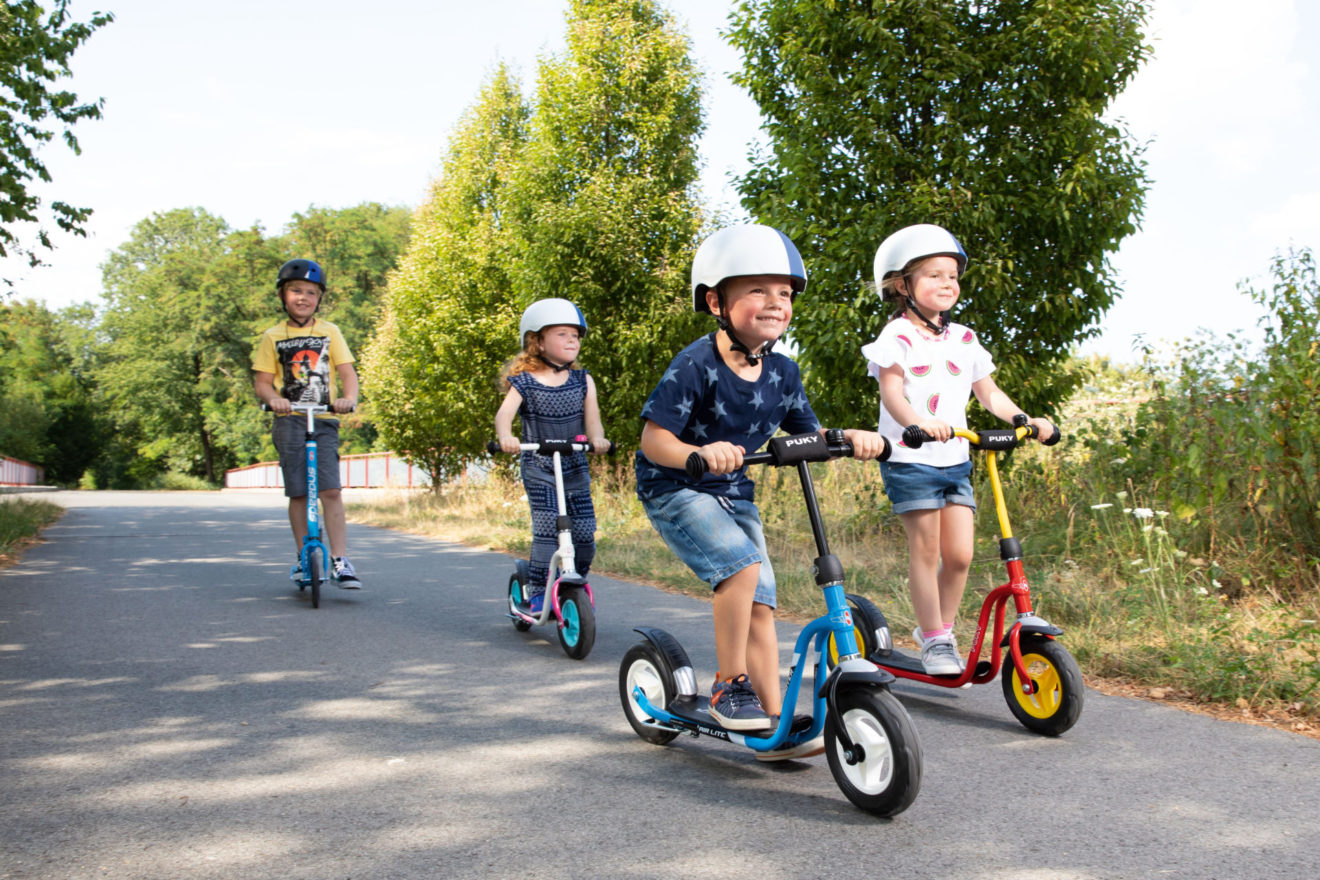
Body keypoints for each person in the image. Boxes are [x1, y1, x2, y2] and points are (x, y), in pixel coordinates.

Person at [635, 223, 887, 759]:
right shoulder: (695, 365)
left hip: (734, 490)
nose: (775, 302)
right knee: (740, 569)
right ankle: (731, 683)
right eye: (757, 290)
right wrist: (697, 455)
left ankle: (773, 724)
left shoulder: (783, 372)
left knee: (761, 601)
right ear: (716, 301)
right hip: (675, 487)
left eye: (784, 293)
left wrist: (848, 439)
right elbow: (654, 439)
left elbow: (807, 434)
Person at [861, 224, 1055, 675]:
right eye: (933, 275)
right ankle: (936, 641)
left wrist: (1025, 420)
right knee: (926, 552)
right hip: (911, 458)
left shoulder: (964, 338)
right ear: (900, 285)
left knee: (962, 555)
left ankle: (940, 630)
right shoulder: (896, 337)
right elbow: (892, 393)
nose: (947, 283)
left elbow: (989, 393)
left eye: (952, 275)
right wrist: (918, 423)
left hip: (955, 460)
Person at [495, 298, 610, 614]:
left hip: (574, 464)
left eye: (575, 335)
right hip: (539, 465)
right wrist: (506, 437)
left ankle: (572, 585)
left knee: (585, 532)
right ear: (537, 341)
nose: (572, 340)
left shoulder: (582, 380)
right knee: (548, 529)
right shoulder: (525, 383)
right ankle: (535, 591)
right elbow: (504, 415)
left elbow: (593, 418)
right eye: (562, 334)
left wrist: (597, 439)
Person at [253, 259, 362, 588]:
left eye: (311, 293)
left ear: (319, 298)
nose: (303, 297)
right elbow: (262, 381)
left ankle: (340, 560)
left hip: (324, 418)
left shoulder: (330, 332)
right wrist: (274, 399)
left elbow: (347, 373)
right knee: (299, 493)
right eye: (296, 291)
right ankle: (304, 557)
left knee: (330, 490)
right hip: (289, 420)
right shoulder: (272, 336)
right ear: (283, 296)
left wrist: (348, 399)